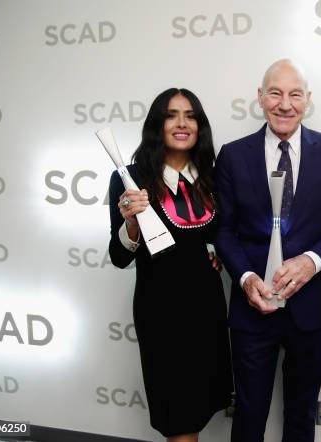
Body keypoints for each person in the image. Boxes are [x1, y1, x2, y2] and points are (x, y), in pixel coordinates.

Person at [215, 59, 321, 442]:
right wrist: (245, 278)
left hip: (313, 307)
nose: (285, 103)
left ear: (308, 100)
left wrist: (311, 262)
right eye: (275, 93)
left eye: (295, 94)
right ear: (260, 98)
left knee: (302, 415)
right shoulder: (232, 154)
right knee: (248, 415)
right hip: (252, 309)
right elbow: (223, 230)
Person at [108, 88, 233, 442]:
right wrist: (131, 223)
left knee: (201, 409)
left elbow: (219, 234)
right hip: (161, 314)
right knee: (178, 420)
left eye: (190, 115)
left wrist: (214, 251)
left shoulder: (211, 178)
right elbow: (119, 257)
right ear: (157, 125)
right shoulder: (129, 179)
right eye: (171, 115)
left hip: (207, 311)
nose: (181, 123)